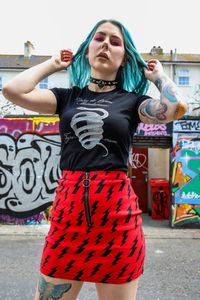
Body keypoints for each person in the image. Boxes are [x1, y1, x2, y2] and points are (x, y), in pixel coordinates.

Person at [3, 19, 187, 300]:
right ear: (87, 50)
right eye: (99, 38)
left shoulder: (133, 102)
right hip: (67, 218)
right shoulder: (66, 98)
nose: (105, 44)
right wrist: (53, 65)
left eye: (115, 42)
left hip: (118, 221)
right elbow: (13, 91)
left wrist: (158, 77)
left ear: (125, 58)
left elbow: (176, 108)